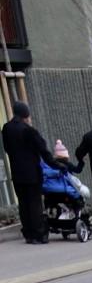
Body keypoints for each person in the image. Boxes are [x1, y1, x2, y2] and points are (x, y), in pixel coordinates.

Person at [2, 100, 54, 244]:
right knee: (34, 203)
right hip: (32, 172)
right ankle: (39, 234)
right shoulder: (28, 130)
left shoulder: (6, 128)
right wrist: (56, 165)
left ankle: (28, 234)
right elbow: (43, 149)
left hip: (17, 173)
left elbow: (7, 149)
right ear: (25, 114)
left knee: (23, 204)